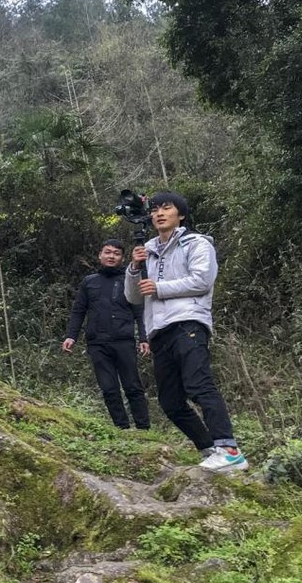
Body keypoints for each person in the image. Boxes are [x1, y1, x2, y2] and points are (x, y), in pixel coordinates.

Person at [125, 191, 248, 473]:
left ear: (180, 215)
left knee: (199, 385)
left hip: (188, 322)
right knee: (170, 401)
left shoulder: (196, 244)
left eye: (166, 208)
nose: (159, 213)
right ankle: (210, 450)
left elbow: (202, 280)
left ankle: (228, 449)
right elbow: (134, 297)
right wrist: (134, 267)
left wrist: (160, 288)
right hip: (159, 330)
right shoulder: (148, 250)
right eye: (154, 209)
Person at [62, 239, 152, 430]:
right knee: (109, 389)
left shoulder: (129, 279)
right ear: (100, 255)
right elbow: (79, 310)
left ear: (122, 258)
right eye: (108, 252)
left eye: (116, 253)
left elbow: (139, 311)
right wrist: (71, 336)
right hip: (97, 343)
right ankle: (122, 428)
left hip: (124, 341)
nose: (111, 256)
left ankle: (144, 428)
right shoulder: (89, 282)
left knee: (132, 387)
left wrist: (144, 338)